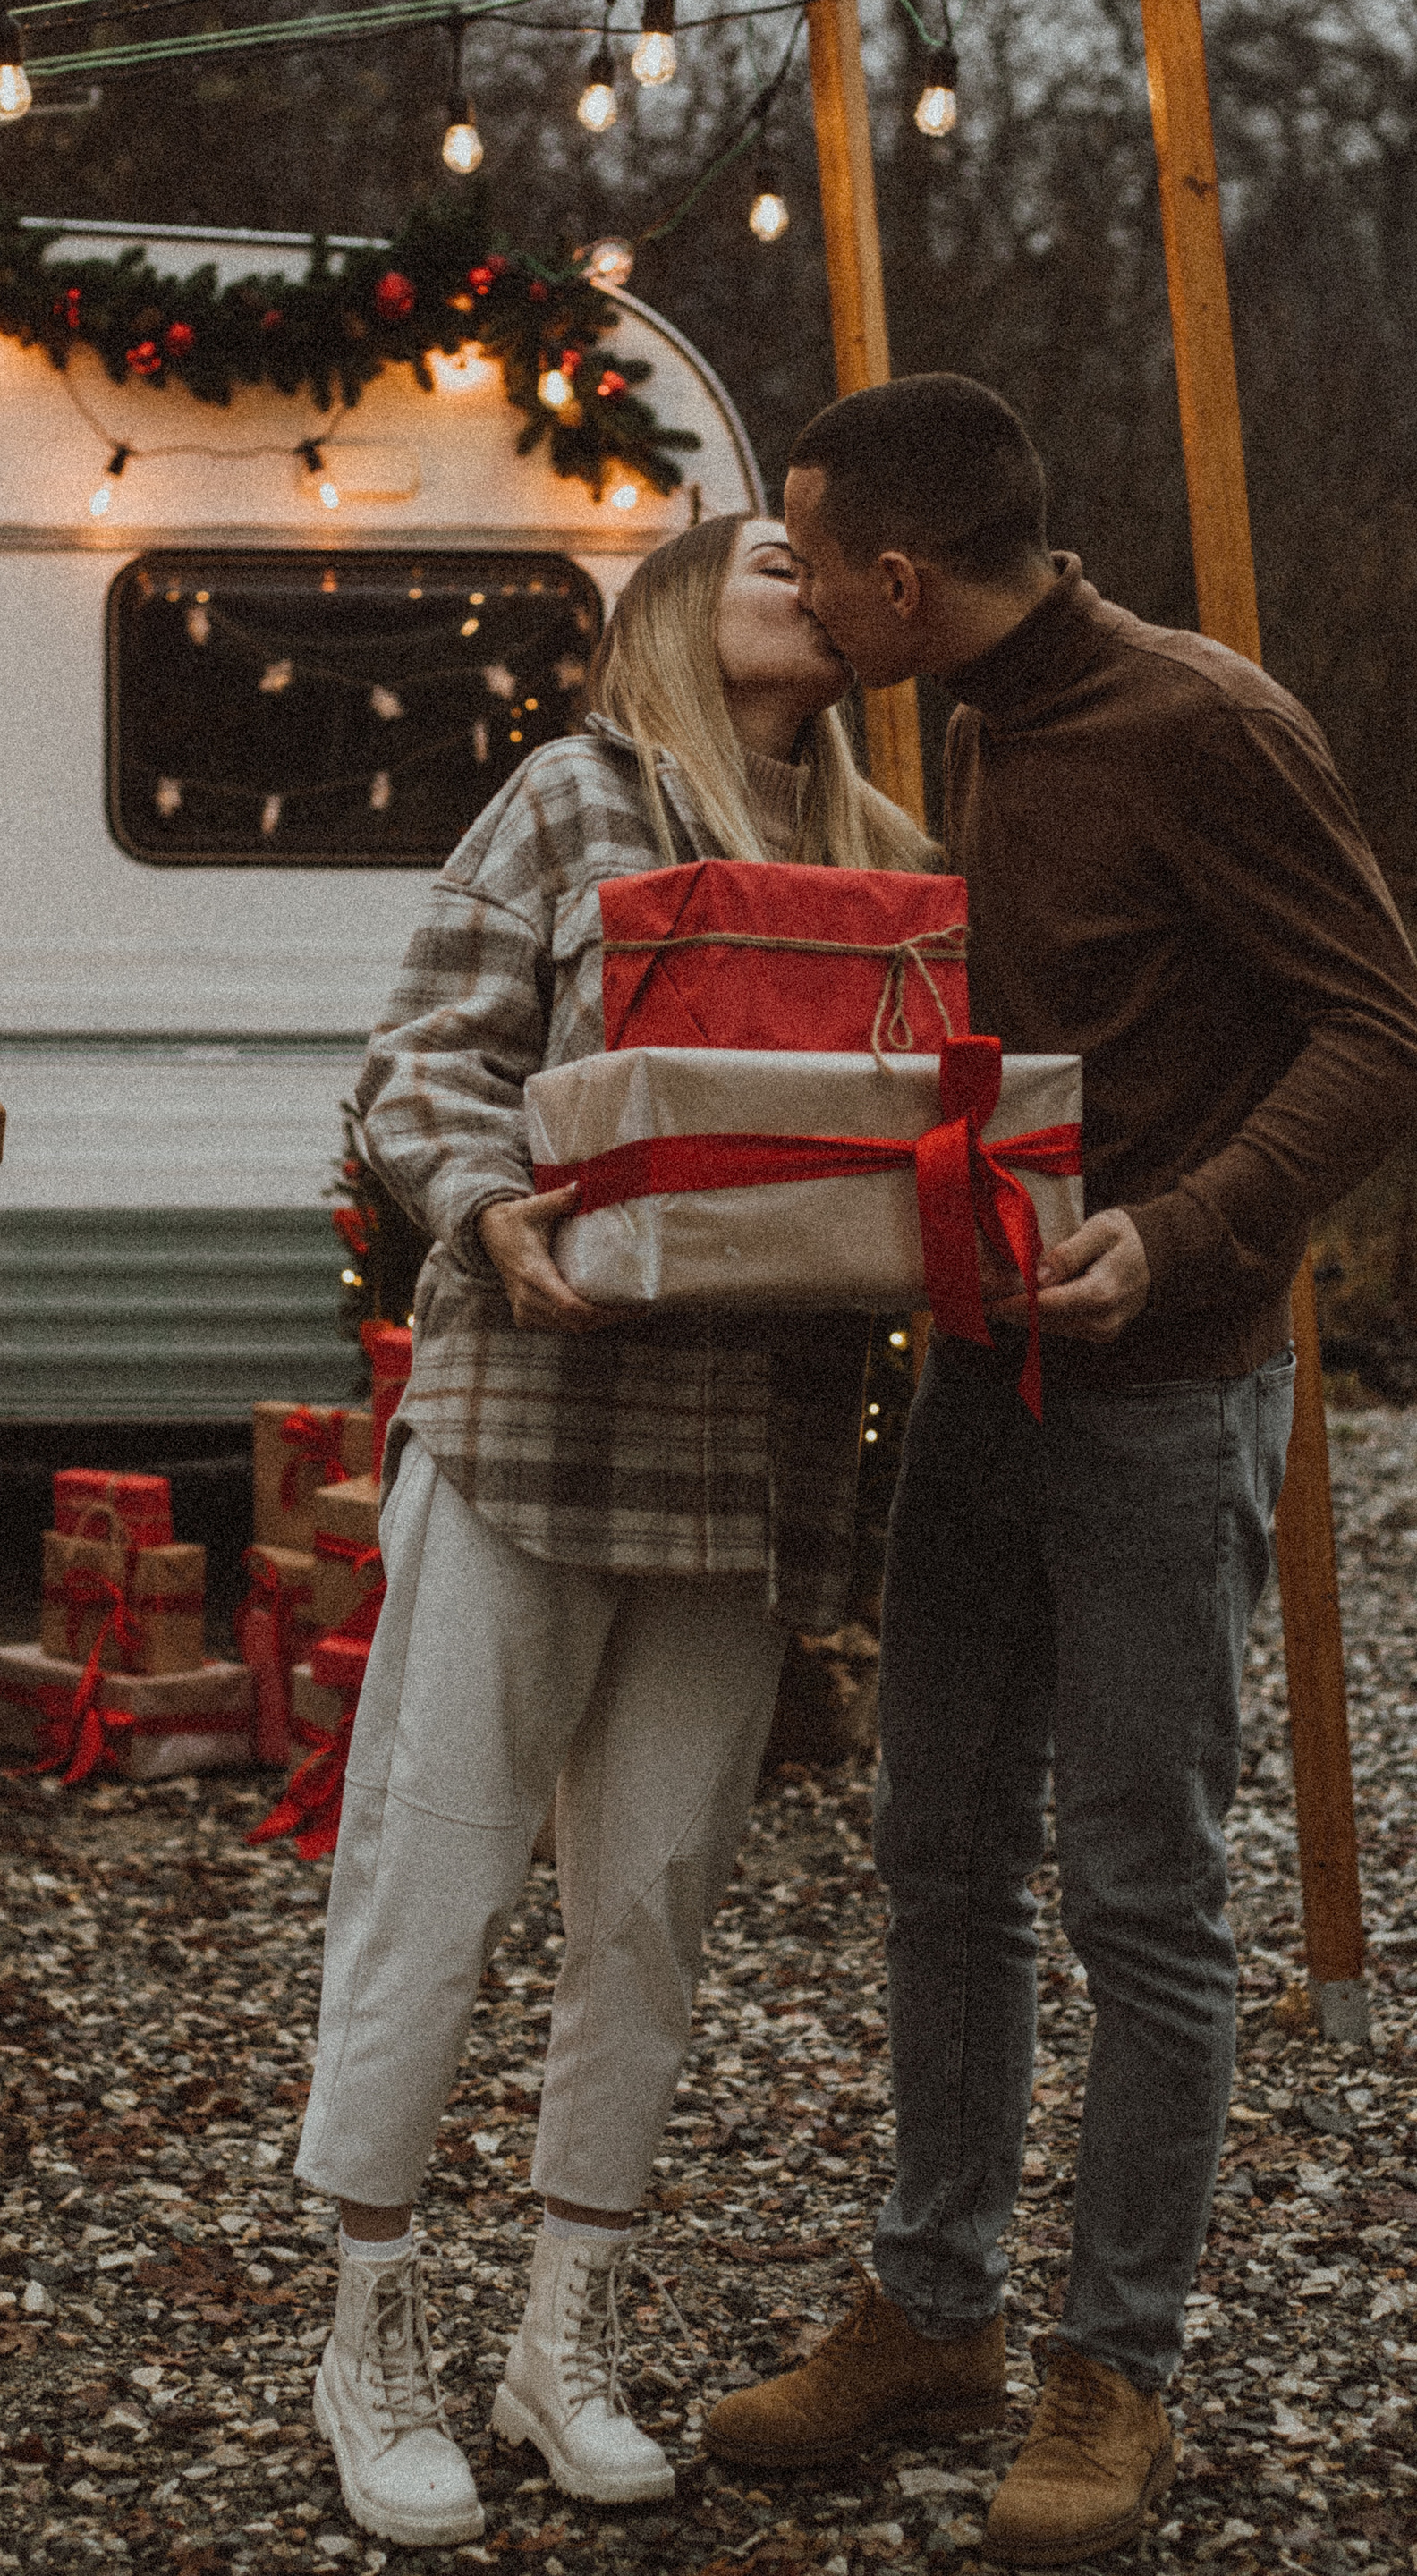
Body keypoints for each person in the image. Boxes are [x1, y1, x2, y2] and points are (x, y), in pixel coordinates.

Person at [706, 379, 1417, 2566]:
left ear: (901, 581)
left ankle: (1116, 2367)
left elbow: (1386, 1032)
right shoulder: (973, 728)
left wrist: (1190, 1232)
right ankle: (935, 2311)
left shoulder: (1205, 726)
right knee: (939, 1850)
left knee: (1142, 1891)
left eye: (813, 559)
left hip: (1165, 1390)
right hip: (980, 1376)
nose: (799, 592)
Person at [293, 512, 937, 2551]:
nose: (808, 580)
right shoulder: (573, 798)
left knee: (653, 1903)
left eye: (825, 565)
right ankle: (368, 2333)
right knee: (439, 1868)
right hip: (534, 1418)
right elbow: (420, 1058)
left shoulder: (891, 859)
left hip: (756, 1452)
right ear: (670, 610)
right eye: (768, 558)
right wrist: (491, 1205)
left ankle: (562, 2341)